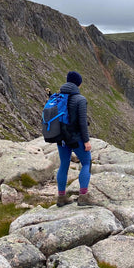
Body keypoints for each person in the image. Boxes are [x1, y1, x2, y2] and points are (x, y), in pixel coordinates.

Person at [56, 71, 92, 206]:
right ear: (78, 83)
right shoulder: (80, 99)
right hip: (76, 138)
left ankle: (61, 197)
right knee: (86, 163)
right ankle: (83, 196)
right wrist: (86, 141)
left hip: (61, 138)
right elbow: (82, 122)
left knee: (63, 165)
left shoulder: (58, 97)